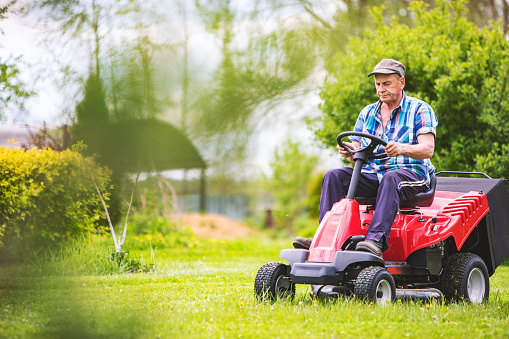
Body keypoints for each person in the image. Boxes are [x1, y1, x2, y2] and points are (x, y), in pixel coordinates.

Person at [293, 59, 438, 257]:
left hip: (412, 174)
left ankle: (374, 241)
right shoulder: (368, 112)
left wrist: (402, 148)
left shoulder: (420, 109)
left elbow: (428, 149)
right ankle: (324, 237)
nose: (381, 89)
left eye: (386, 84)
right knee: (334, 176)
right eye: (378, 84)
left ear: (401, 82)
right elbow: (358, 152)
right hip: (374, 174)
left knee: (391, 177)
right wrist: (350, 151)